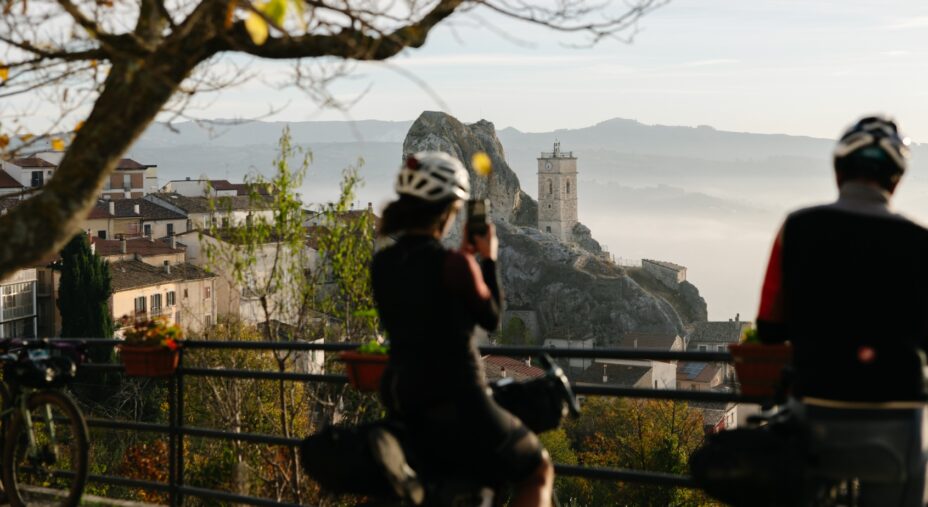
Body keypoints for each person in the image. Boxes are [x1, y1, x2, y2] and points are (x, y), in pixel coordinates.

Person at [756, 115, 928, 505]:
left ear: (838, 170)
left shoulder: (797, 227)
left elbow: (769, 327)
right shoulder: (921, 242)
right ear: (896, 179)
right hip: (897, 414)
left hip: (817, 406)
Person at [371, 151, 554, 507]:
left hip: (404, 396)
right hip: (460, 398)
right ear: (448, 208)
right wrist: (487, 259)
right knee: (537, 470)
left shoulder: (383, 263)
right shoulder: (454, 264)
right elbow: (491, 316)